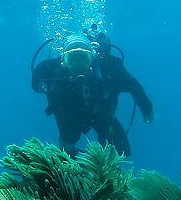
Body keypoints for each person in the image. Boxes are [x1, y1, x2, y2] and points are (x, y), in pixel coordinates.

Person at [31, 28, 154, 156]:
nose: (78, 64)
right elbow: (36, 83)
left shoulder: (109, 68)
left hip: (101, 111)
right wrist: (47, 89)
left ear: (93, 57)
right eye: (71, 59)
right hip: (68, 112)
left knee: (118, 145)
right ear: (63, 60)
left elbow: (134, 86)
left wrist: (147, 109)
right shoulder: (51, 70)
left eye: (84, 58)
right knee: (69, 138)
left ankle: (108, 169)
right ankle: (66, 161)